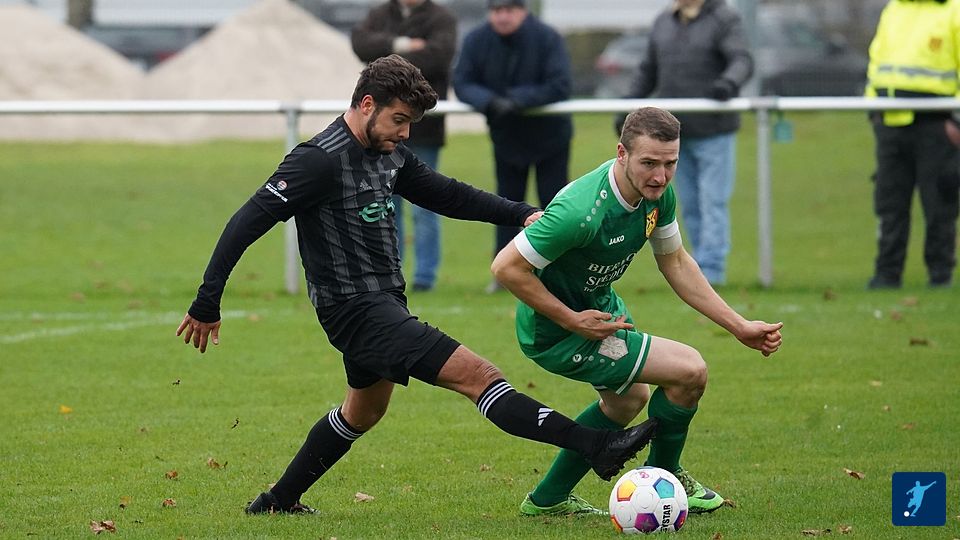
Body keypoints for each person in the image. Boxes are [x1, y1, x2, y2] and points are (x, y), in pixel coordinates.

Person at [175, 55, 658, 515]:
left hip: (384, 302)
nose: (405, 133)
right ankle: (595, 445)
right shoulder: (317, 161)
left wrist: (522, 213)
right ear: (367, 104)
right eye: (399, 120)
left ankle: (278, 501)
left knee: (363, 412)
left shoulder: (387, 154)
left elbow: (447, 194)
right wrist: (207, 300)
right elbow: (247, 221)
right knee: (479, 376)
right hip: (354, 310)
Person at [492, 107, 783, 516]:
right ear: (622, 153)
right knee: (689, 371)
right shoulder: (580, 212)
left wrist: (738, 326)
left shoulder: (657, 195)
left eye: (670, 163)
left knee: (627, 401)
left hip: (600, 314)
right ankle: (666, 477)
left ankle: (547, 500)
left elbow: (675, 262)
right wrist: (571, 320)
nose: (660, 176)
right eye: (649, 163)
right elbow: (506, 268)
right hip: (557, 331)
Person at [622, 0, 753, 286]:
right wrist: (627, 106)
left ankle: (712, 271)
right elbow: (648, 71)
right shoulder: (663, 21)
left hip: (714, 129)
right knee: (691, 205)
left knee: (712, 201)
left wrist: (728, 83)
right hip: (674, 138)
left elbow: (741, 60)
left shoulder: (723, 18)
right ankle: (698, 269)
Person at [453, 0, 573, 293]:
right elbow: (462, 82)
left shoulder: (547, 38)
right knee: (505, 207)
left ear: (523, 11)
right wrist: (490, 102)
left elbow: (559, 84)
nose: (502, 17)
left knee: (554, 208)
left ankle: (559, 274)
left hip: (550, 139)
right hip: (507, 138)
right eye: (497, 11)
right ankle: (504, 274)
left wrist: (517, 100)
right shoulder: (477, 40)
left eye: (509, 10)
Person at [350, 0, 457, 292]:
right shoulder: (379, 13)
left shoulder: (441, 17)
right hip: (381, 133)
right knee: (384, 203)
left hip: (426, 131)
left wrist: (386, 56)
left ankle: (424, 277)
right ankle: (389, 271)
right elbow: (361, 43)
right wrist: (405, 44)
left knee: (426, 205)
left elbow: (439, 57)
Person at [864, 0, 960, 290]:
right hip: (891, 123)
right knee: (889, 202)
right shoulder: (894, 9)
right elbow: (876, 61)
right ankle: (887, 274)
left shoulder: (952, 10)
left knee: (939, 202)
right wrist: (873, 110)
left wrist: (957, 120)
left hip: (936, 124)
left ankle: (940, 275)